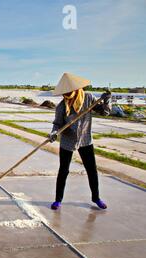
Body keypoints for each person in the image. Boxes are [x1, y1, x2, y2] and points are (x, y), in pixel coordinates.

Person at [48, 73, 112, 210]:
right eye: (64, 94)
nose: (66, 96)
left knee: (91, 170)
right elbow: (57, 124)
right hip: (67, 140)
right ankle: (58, 200)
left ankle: (96, 198)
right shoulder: (61, 106)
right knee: (63, 170)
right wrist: (54, 132)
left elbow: (105, 112)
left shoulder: (88, 98)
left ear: (75, 89)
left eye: (68, 93)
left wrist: (106, 100)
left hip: (85, 139)